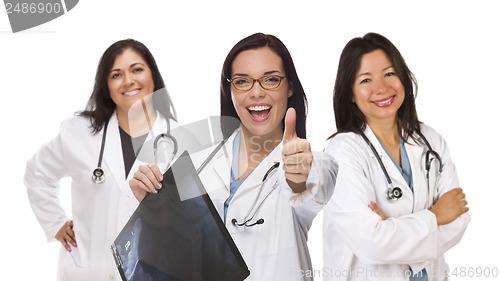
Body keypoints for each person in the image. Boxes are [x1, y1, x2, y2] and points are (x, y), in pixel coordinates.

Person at [130, 33, 335, 281]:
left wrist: (300, 175)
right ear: (230, 90)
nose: (256, 92)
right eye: (242, 81)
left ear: (290, 86)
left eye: (271, 79)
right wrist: (153, 209)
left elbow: (315, 183)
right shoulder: (196, 165)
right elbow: (179, 259)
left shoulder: (314, 163)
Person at [24, 39, 177, 281]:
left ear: (153, 76)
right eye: (116, 74)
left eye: (137, 69)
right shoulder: (77, 133)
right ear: (106, 86)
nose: (128, 80)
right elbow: (37, 174)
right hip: (88, 272)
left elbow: (188, 227)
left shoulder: (179, 141)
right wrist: (55, 223)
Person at [322, 32, 471, 281]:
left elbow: (458, 220)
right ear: (350, 93)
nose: (381, 88)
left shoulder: (430, 140)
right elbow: (372, 244)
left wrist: (392, 229)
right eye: (366, 79)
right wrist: (435, 216)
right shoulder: (342, 153)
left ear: (403, 78)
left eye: (389, 74)